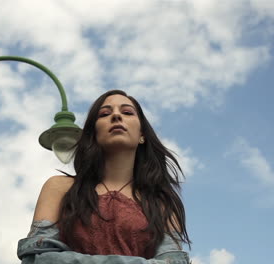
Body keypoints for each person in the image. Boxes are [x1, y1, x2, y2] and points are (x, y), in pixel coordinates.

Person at [17, 90, 191, 263]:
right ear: (94, 134)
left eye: (127, 112)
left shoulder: (161, 203)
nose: (116, 116)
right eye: (105, 114)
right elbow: (37, 257)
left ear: (142, 135)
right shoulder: (60, 187)